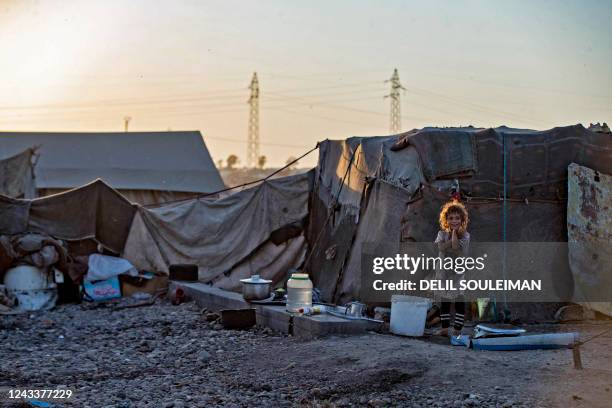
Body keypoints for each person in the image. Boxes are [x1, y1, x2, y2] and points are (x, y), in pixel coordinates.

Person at [434, 200, 470, 337]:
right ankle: (444, 329)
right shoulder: (441, 234)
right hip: (443, 271)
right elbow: (441, 247)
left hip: (458, 272)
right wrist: (451, 235)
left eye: (457, 218)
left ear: (462, 220)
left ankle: (457, 329)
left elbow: (455, 248)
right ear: (446, 220)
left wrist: (454, 233)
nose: (454, 221)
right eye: (451, 218)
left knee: (459, 298)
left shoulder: (466, 236)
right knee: (445, 299)